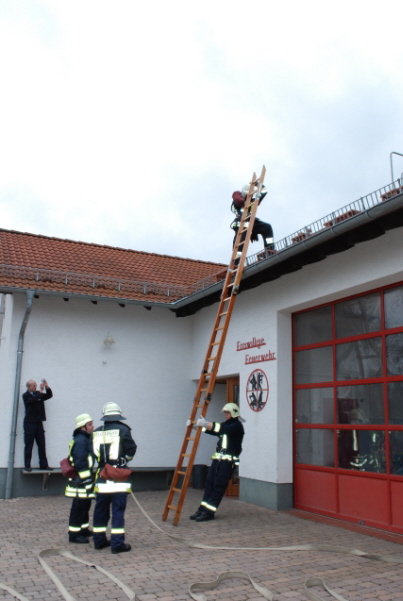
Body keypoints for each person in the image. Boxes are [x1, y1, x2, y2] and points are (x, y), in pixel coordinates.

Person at [92, 402, 137, 553]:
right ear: (118, 415)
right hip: (119, 477)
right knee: (118, 510)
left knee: (100, 510)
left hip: (102, 475)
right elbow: (131, 449)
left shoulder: (97, 431)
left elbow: (92, 453)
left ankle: (99, 541)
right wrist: (125, 460)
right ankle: (117, 544)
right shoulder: (124, 429)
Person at [190, 402, 245, 522]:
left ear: (234, 413)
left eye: (227, 412)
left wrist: (206, 423)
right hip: (218, 460)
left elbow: (221, 429)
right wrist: (200, 427)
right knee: (209, 483)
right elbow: (216, 431)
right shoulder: (228, 424)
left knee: (218, 486)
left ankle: (209, 513)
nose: (225, 414)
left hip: (227, 462)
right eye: (225, 412)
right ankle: (202, 510)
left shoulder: (236, 426)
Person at [65, 413, 95, 544]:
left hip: (81, 479)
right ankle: (74, 534)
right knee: (78, 507)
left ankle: (83, 530)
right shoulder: (81, 441)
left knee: (84, 505)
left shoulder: (82, 439)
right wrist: (87, 480)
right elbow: (81, 463)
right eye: (89, 424)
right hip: (80, 481)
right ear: (83, 427)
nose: (92, 426)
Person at [231, 183, 274, 251]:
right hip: (240, 223)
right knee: (240, 240)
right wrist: (243, 202)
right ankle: (237, 258)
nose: (249, 197)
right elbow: (237, 200)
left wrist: (257, 184)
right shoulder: (237, 202)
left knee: (266, 227)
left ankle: (270, 249)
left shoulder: (253, 201)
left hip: (251, 222)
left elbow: (264, 190)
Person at [22, 379, 53, 471]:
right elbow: (31, 401)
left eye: (36, 385)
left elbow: (49, 395)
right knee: (29, 445)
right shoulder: (26, 395)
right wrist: (40, 392)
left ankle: (43, 465)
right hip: (29, 423)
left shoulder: (38, 394)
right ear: (28, 387)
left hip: (38, 422)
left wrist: (47, 387)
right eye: (33, 385)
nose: (35, 386)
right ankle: (27, 465)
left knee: (42, 444)